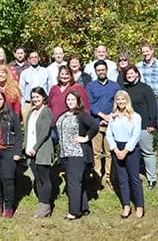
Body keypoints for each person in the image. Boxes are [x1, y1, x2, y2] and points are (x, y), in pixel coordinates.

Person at [55, 91, 98, 220]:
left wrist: (86, 138)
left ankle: (74, 212)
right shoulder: (63, 115)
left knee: (73, 183)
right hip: (65, 153)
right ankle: (83, 207)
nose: (70, 102)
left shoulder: (81, 115)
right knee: (76, 182)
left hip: (77, 153)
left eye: (73, 99)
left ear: (78, 101)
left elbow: (94, 126)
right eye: (68, 100)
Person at [105, 90, 144, 219]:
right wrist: (115, 150)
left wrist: (126, 150)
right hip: (117, 148)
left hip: (130, 149)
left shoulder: (135, 116)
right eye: (118, 100)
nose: (120, 102)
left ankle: (139, 206)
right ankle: (126, 205)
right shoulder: (113, 116)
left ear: (127, 101)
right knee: (122, 180)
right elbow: (109, 134)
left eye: (123, 100)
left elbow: (136, 135)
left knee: (134, 179)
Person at [122, 66, 158, 190]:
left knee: (147, 152)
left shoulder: (145, 89)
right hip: (128, 126)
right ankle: (131, 177)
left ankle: (152, 179)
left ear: (137, 74)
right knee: (130, 152)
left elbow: (152, 106)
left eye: (132, 73)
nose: (130, 76)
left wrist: (152, 123)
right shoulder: (124, 89)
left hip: (144, 126)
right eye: (127, 74)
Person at [86, 60, 120, 189]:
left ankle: (109, 177)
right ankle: (97, 177)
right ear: (95, 72)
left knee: (109, 152)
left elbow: (119, 102)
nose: (101, 72)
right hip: (96, 122)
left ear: (106, 70)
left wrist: (110, 117)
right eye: (98, 70)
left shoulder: (115, 86)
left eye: (103, 69)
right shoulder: (90, 86)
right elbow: (90, 104)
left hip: (111, 123)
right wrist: (102, 116)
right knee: (96, 152)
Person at [24, 87, 54, 218]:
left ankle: (46, 205)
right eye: (33, 97)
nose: (35, 99)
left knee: (44, 178)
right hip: (30, 150)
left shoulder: (46, 111)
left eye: (38, 97)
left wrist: (35, 148)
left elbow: (44, 133)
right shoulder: (31, 113)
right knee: (37, 178)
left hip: (42, 149)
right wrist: (26, 147)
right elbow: (27, 131)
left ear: (43, 97)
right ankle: (41, 203)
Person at [19, 51, 52, 119]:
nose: (34, 59)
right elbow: (21, 92)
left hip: (43, 104)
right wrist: (23, 108)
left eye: (36, 57)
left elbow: (50, 89)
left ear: (39, 58)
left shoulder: (46, 71)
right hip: (29, 104)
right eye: (32, 57)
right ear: (28, 59)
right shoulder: (24, 73)